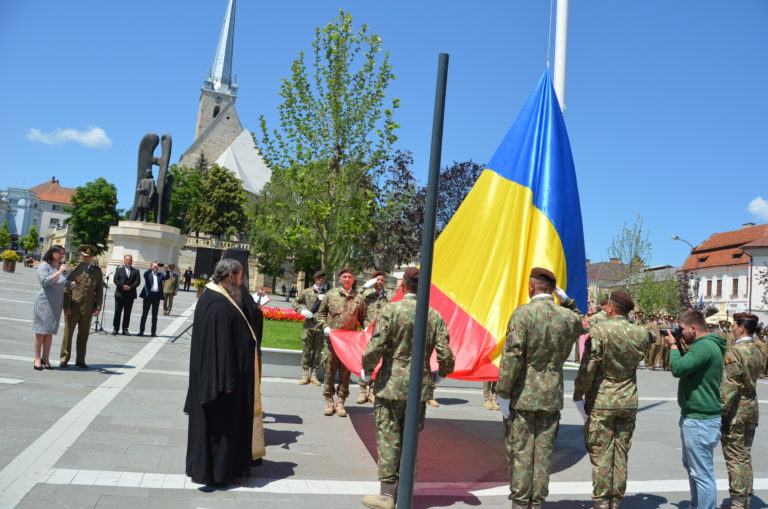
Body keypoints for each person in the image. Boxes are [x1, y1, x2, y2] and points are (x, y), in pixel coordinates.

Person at [360, 267, 454, 509]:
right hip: (419, 385)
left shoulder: (391, 310)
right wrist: (440, 374)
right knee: (410, 439)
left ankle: (387, 495)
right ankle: (406, 492)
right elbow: (446, 354)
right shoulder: (433, 315)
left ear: (403, 286)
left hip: (391, 383)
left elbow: (377, 345)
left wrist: (366, 369)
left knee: (388, 438)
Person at [496, 267, 585, 509]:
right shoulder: (566, 316)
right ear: (553, 289)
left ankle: (521, 504)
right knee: (544, 454)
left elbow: (512, 356)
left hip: (523, 395)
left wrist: (503, 391)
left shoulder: (523, 314)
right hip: (551, 396)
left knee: (521, 452)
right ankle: (537, 504)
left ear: (533, 286)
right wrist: (567, 302)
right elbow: (585, 323)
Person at [184, 259, 264, 490]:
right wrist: (226, 382)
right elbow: (220, 350)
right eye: (239, 277)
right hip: (222, 384)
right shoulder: (218, 304)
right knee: (219, 431)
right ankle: (218, 474)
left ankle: (225, 469)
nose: (241, 281)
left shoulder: (218, 297)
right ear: (230, 276)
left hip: (222, 380)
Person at [573, 289, 649, 509]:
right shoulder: (640, 333)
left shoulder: (600, 332)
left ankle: (601, 502)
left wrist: (579, 394)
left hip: (603, 401)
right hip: (628, 399)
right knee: (620, 452)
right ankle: (615, 501)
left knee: (601, 454)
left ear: (611, 307)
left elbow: (588, 368)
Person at [664, 309, 726, 509]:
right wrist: (678, 346)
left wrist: (673, 345)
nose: (679, 332)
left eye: (681, 329)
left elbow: (678, 369)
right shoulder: (704, 345)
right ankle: (697, 505)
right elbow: (687, 366)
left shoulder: (704, 346)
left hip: (701, 420)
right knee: (695, 469)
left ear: (693, 328)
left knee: (701, 473)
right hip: (698, 417)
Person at [720, 313, 765, 509]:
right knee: (745, 455)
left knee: (735, 457)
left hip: (736, 410)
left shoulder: (735, 352)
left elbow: (730, 386)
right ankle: (745, 497)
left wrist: (719, 412)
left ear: (741, 327)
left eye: (734, 326)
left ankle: (738, 502)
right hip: (752, 407)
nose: (732, 329)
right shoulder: (760, 349)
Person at [316, 267, 368, 417]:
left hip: (348, 343)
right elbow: (321, 314)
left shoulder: (358, 298)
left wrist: (366, 329)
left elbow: (363, 317)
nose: (347, 279)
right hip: (332, 342)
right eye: (344, 277)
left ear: (353, 280)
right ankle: (329, 401)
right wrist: (325, 327)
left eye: (350, 277)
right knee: (329, 371)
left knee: (345, 373)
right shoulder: (331, 295)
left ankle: (340, 403)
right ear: (339, 279)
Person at [60, 245, 103, 369]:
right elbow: (66, 288)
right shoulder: (74, 269)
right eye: (84, 256)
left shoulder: (97, 271)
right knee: (68, 334)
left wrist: (98, 306)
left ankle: (80, 359)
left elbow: (99, 290)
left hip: (88, 307)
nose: (87, 259)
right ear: (80, 256)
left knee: (83, 335)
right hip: (73, 306)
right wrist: (66, 305)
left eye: (89, 257)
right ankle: (64, 358)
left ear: (92, 257)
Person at [33, 245, 74, 370]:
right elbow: (45, 282)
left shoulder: (62, 266)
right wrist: (60, 271)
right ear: (52, 253)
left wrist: (75, 283)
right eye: (59, 253)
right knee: (40, 331)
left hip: (56, 303)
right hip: (45, 301)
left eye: (63, 253)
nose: (62, 255)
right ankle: (37, 358)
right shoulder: (44, 266)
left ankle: (46, 358)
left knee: (49, 332)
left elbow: (65, 283)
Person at [358, 270, 389, 404]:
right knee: (365, 360)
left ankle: (372, 391)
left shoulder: (388, 297)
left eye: (382, 280)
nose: (380, 282)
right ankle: (362, 391)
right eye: (377, 280)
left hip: (381, 334)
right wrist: (365, 287)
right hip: (367, 333)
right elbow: (356, 301)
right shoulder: (366, 295)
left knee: (378, 361)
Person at [293, 270, 327, 386]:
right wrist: (301, 310)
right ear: (315, 280)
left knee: (317, 351)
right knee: (306, 350)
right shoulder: (307, 292)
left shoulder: (328, 294)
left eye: (322, 278)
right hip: (309, 326)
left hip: (321, 326)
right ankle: (305, 375)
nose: (320, 280)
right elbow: (295, 302)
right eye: (318, 278)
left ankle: (314, 375)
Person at [137, 261, 169, 337]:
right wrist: (151, 268)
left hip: (156, 296)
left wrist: (167, 270)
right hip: (148, 296)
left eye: (156, 266)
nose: (156, 267)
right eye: (154, 266)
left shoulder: (160, 275)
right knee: (144, 314)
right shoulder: (148, 274)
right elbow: (144, 274)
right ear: (151, 267)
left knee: (155, 315)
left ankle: (153, 332)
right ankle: (141, 331)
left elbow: (167, 277)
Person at [112, 254, 140, 335]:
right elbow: (115, 280)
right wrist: (122, 286)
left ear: (132, 261)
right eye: (127, 259)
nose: (128, 261)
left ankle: (125, 329)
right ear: (124, 261)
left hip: (130, 295)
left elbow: (137, 281)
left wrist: (130, 287)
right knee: (117, 312)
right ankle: (116, 328)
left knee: (127, 313)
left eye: (130, 260)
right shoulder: (119, 270)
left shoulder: (136, 271)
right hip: (120, 294)